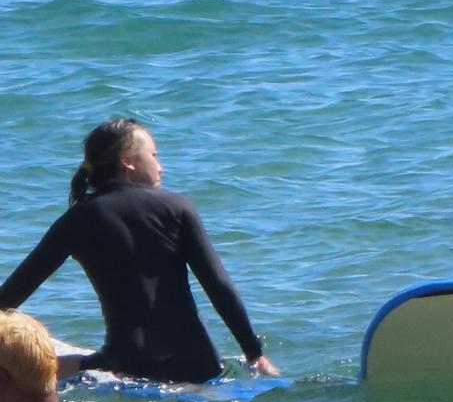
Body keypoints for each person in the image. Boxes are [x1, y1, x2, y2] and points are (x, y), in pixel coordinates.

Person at [0, 120, 279, 387]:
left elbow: (11, 296)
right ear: (129, 161)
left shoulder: (77, 220)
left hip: (127, 367)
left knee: (73, 367)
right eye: (154, 155)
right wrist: (254, 353)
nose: (161, 166)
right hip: (198, 368)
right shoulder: (177, 207)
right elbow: (218, 286)